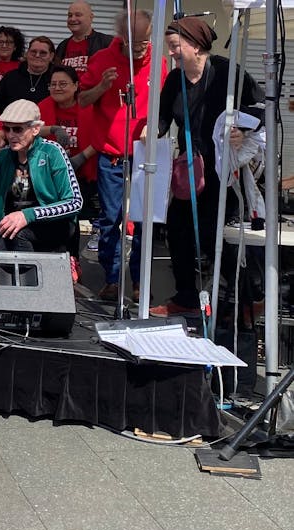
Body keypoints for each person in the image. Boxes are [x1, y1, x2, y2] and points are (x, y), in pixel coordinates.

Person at [150, 17, 264, 318]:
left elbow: (261, 108)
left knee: (215, 235)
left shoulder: (228, 73)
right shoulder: (175, 80)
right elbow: (163, 117)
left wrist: (242, 129)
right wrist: (151, 133)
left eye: (175, 46)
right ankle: (186, 296)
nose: (172, 53)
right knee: (177, 230)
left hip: (221, 169)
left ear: (196, 46)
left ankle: (248, 297)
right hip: (189, 168)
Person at [79, 10, 166, 302]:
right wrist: (102, 86)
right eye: (134, 42)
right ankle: (113, 279)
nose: (140, 48)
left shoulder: (160, 61)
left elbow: (167, 105)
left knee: (144, 221)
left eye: (145, 41)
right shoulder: (102, 58)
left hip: (146, 152)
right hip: (112, 154)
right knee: (110, 219)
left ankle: (140, 282)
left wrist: (156, 129)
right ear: (121, 36)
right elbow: (81, 99)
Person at [0, 99, 82, 252]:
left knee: (19, 235)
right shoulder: (4, 156)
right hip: (15, 227)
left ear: (35, 129)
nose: (11, 135)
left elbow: (75, 202)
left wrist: (28, 215)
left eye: (17, 129)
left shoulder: (52, 151)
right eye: (6, 129)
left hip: (55, 225)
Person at [38, 65, 99, 281]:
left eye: (63, 84)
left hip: (85, 170)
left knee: (73, 221)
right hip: (51, 174)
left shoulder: (89, 107)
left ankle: (73, 260)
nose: (57, 88)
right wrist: (54, 128)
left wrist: (81, 157)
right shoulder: (43, 106)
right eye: (53, 84)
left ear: (76, 86)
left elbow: (101, 136)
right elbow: (32, 130)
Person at [0, 36, 56, 112]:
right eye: (33, 52)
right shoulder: (11, 77)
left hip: (47, 123)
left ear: (51, 56)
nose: (37, 55)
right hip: (12, 122)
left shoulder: (56, 79)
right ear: (27, 53)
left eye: (43, 53)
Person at [55, 1, 113, 75]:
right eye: (70, 15)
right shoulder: (62, 46)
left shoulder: (107, 43)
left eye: (78, 15)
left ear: (91, 17)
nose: (72, 19)